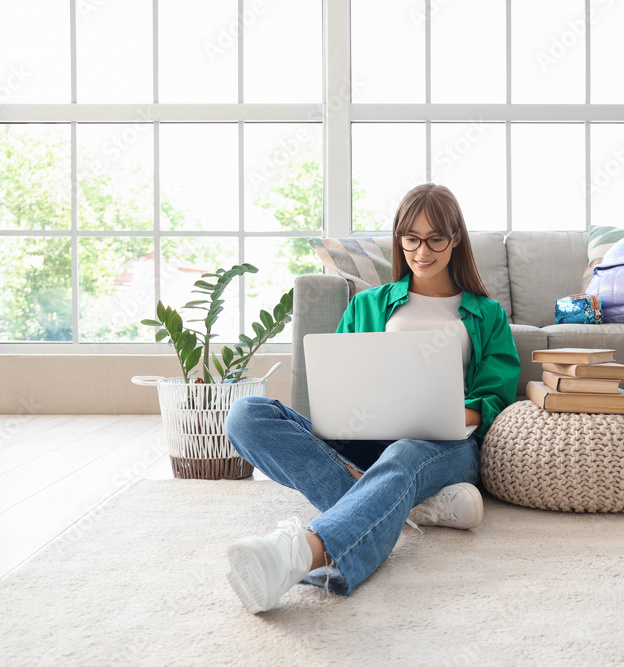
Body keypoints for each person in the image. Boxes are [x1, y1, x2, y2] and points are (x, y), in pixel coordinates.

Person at [223, 183, 520, 613]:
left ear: (456, 239)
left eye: (437, 237)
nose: (423, 250)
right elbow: (340, 380)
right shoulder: (367, 304)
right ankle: (411, 507)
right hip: (363, 435)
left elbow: (495, 398)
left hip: (446, 444)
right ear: (399, 239)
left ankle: (301, 552)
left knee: (404, 453)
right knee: (246, 414)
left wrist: (447, 412)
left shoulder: (486, 314)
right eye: (411, 237)